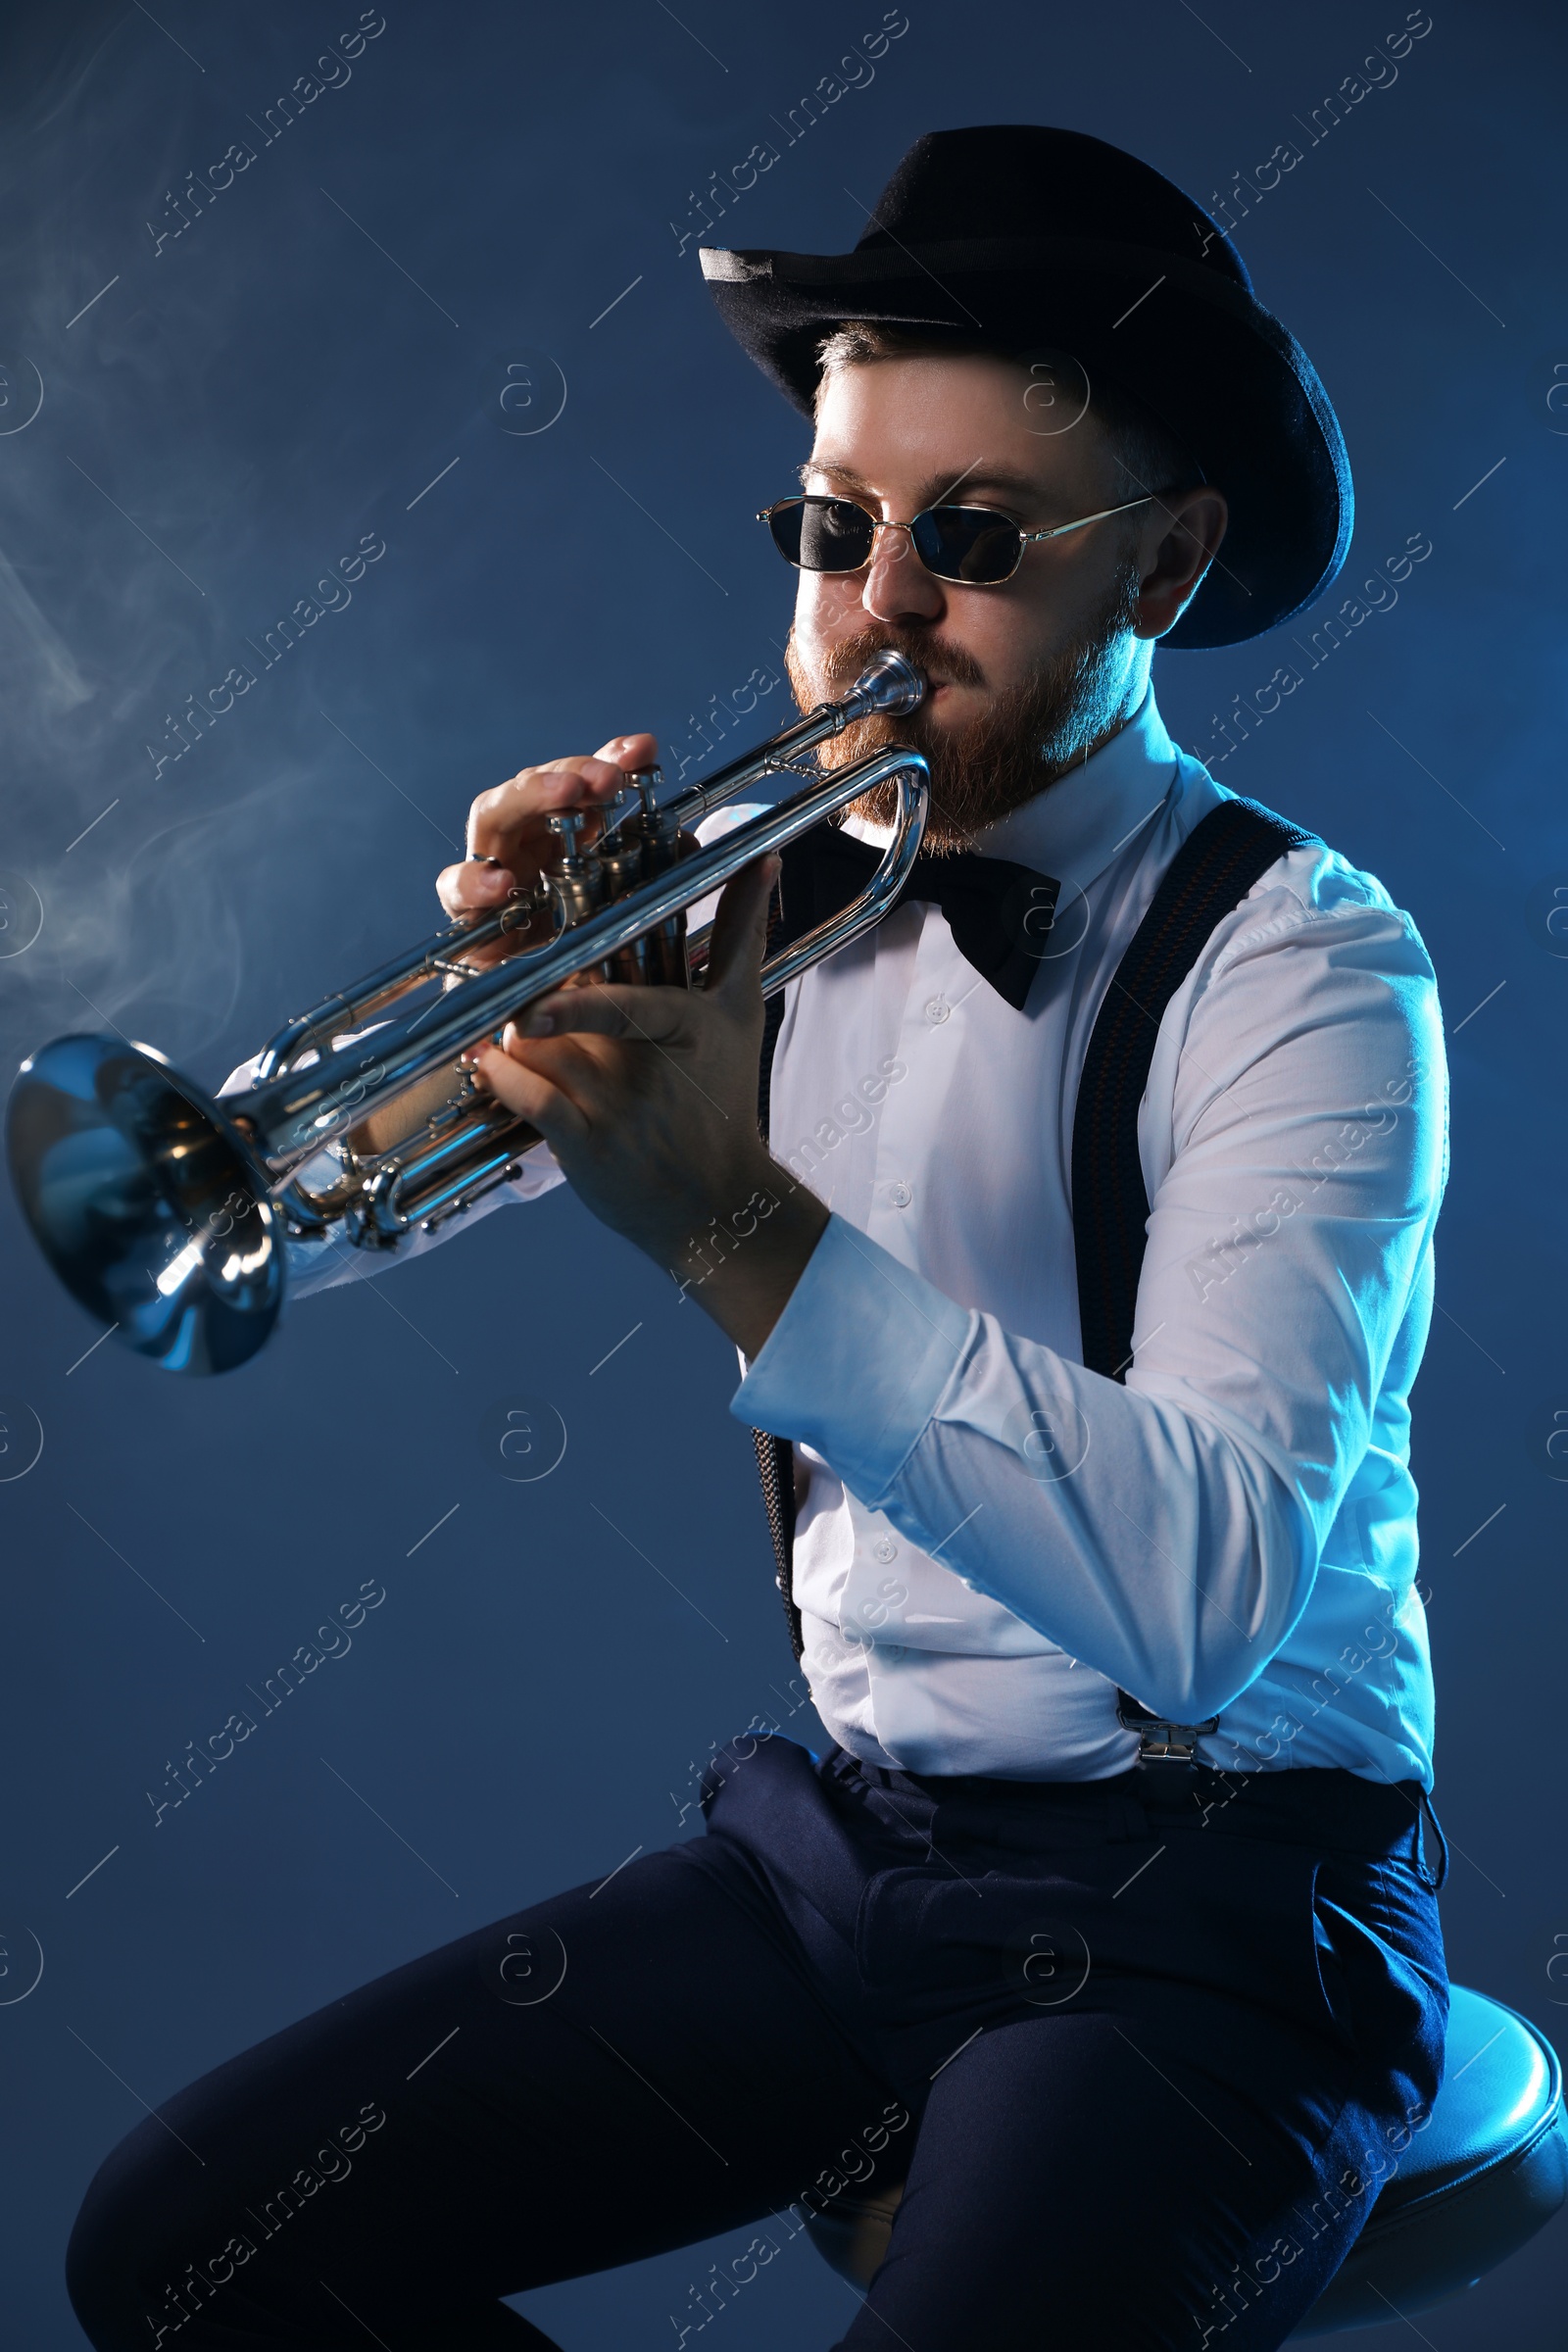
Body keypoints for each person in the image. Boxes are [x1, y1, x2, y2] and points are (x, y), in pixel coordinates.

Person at [67, 125, 1450, 2352]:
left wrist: (730, 1222)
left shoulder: (1301, 965)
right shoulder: (747, 869)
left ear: (1165, 566)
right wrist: (488, 1020)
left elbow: (1202, 1606)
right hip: (850, 1856)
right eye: (833, 528)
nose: (876, 604)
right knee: (181, 2246)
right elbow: (308, 1226)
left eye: (973, 538)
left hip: (1219, 1907)